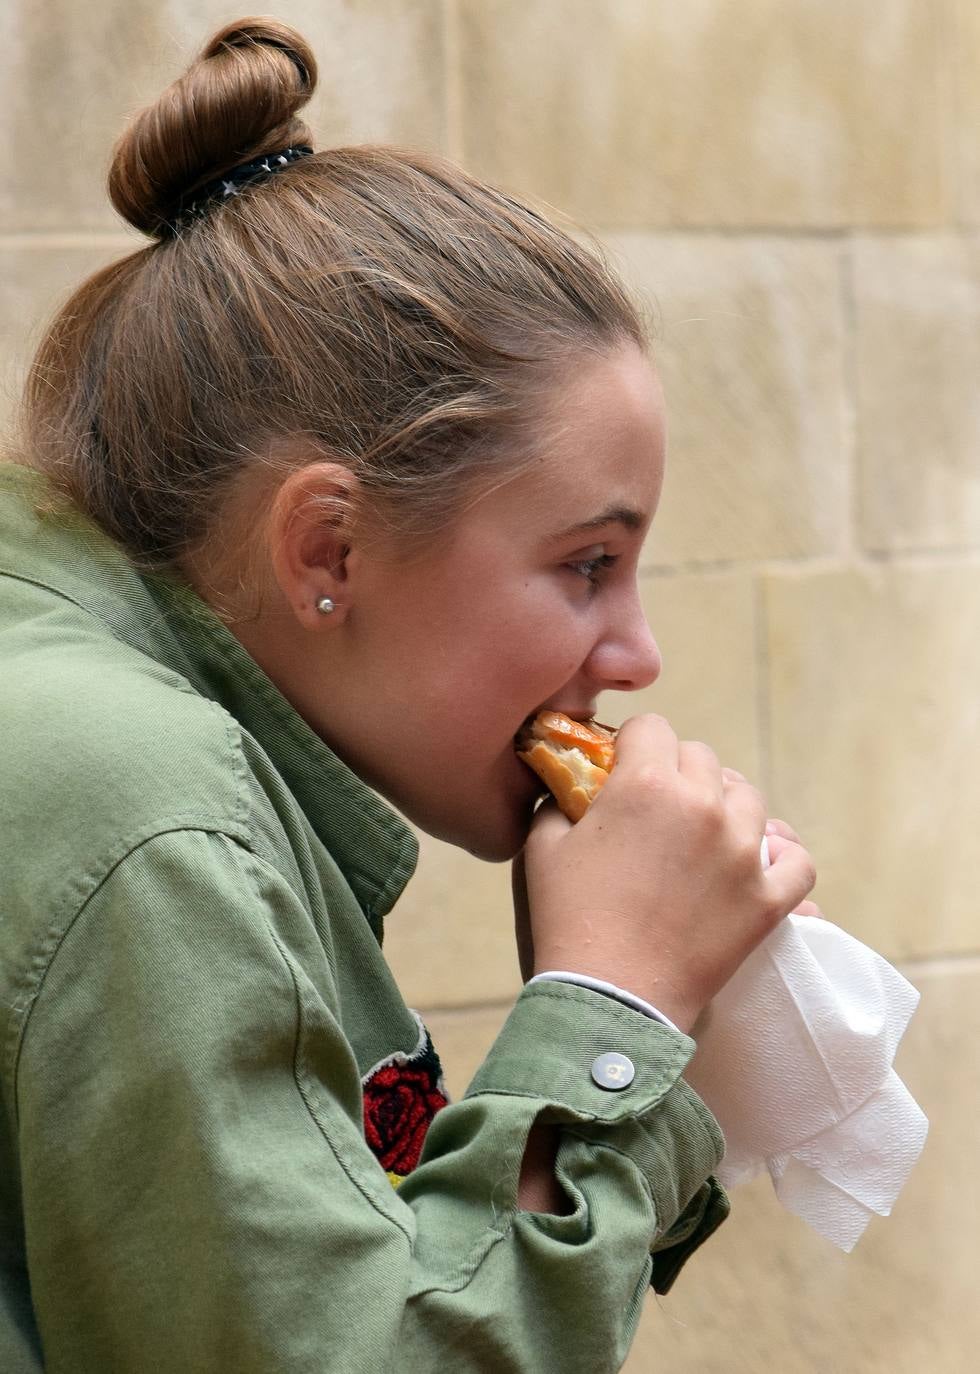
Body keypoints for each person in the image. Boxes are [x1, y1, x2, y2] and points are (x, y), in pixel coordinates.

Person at [0, 17, 816, 1374]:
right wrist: (619, 1003)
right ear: (329, 548)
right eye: (588, 563)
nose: (635, 655)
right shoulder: (144, 810)